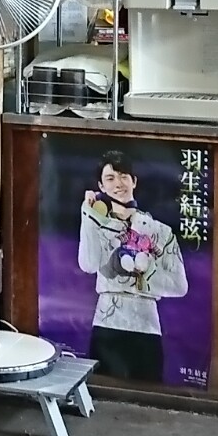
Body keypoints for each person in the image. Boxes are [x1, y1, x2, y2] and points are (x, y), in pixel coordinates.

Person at [76, 150, 187, 383]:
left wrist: (147, 269)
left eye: (124, 176)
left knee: (148, 393)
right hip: (107, 323)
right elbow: (88, 264)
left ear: (134, 181)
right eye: (110, 178)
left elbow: (180, 286)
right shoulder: (97, 225)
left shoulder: (160, 231)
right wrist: (88, 216)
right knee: (104, 391)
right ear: (101, 186)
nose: (118, 184)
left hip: (146, 325)